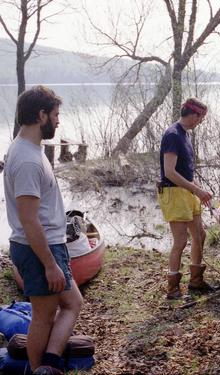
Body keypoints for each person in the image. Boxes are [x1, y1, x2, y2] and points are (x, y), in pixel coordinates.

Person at [4, 86, 83, 375]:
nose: (58, 121)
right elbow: (28, 219)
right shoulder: (26, 159)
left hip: (48, 245)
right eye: (55, 114)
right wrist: (49, 264)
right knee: (43, 315)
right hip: (39, 248)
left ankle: (48, 364)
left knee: (72, 302)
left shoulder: (29, 149)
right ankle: (39, 370)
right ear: (41, 115)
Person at [158, 97, 215, 299]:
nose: (201, 122)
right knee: (181, 241)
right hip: (173, 193)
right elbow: (170, 172)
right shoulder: (172, 135)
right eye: (201, 118)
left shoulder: (185, 134)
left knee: (200, 235)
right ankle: (172, 289)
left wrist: (197, 189)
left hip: (187, 192)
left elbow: (185, 170)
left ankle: (196, 281)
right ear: (193, 115)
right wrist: (196, 190)